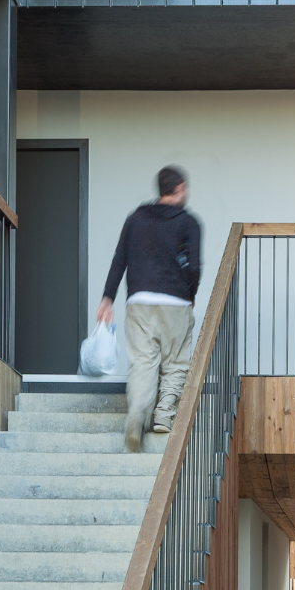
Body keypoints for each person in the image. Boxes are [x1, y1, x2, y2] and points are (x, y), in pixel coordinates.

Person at [98, 165, 203, 451]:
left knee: (143, 362)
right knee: (176, 362)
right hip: (175, 301)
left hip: (139, 299)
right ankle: (164, 415)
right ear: (180, 188)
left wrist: (107, 298)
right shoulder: (189, 222)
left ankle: (136, 419)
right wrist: (190, 293)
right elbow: (194, 266)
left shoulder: (135, 219)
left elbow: (120, 258)